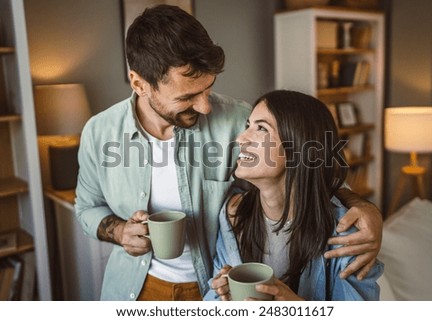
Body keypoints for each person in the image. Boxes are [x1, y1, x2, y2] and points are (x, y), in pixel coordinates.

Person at [75, 5, 382, 301]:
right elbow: (87, 208)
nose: (205, 107)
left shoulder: (238, 118)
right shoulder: (99, 132)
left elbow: (308, 171)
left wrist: (366, 210)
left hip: (212, 282)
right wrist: (118, 232)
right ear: (140, 84)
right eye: (188, 96)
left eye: (208, 89)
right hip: (136, 289)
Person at [207, 90, 383, 301]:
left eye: (261, 128)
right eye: (248, 126)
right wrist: (222, 295)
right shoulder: (234, 215)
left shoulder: (348, 235)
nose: (240, 139)